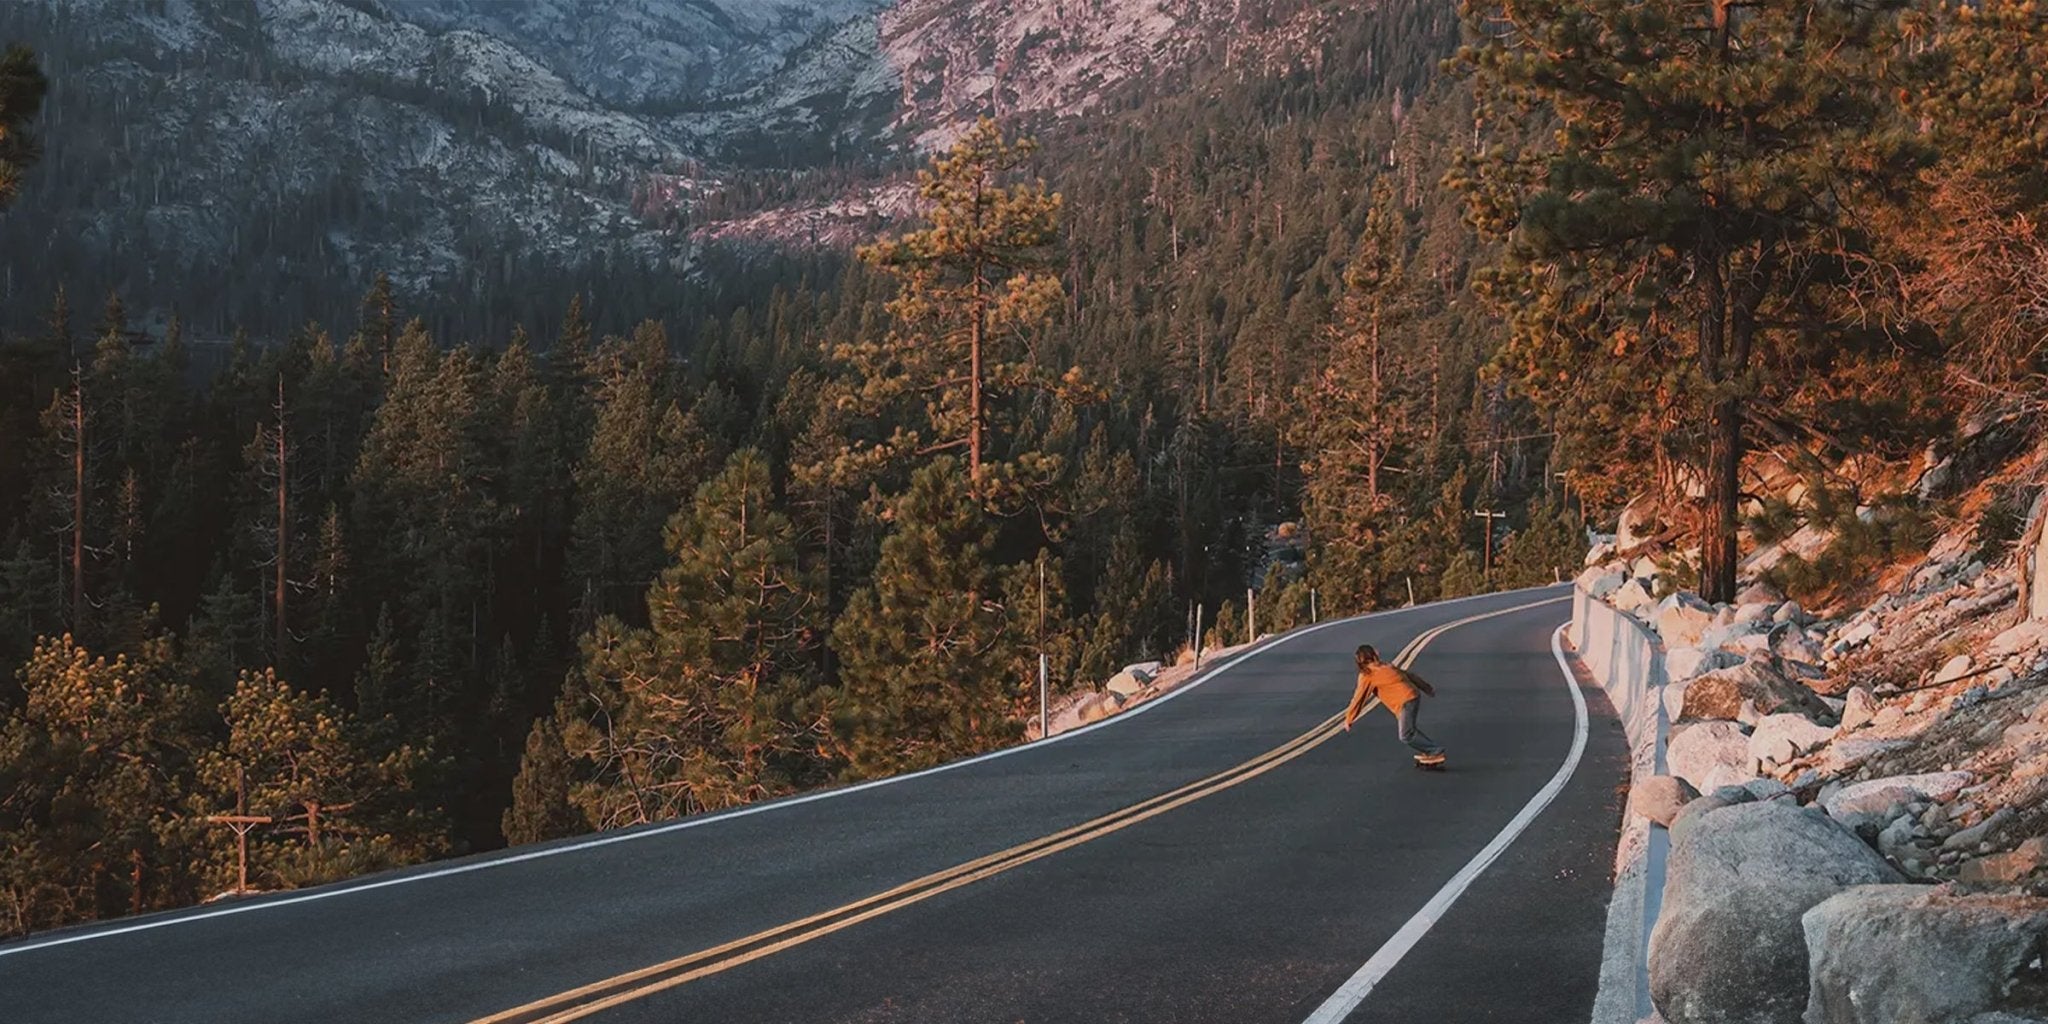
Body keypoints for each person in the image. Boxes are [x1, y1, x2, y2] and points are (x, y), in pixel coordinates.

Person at [1342, 643, 1445, 764]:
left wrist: (1349, 718)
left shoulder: (1367, 674)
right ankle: (1429, 751)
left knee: (1406, 735)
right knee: (1410, 730)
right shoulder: (1386, 665)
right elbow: (1409, 675)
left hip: (1406, 701)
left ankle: (1435, 751)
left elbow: (1358, 698)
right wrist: (1426, 688)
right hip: (1413, 696)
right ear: (1374, 655)